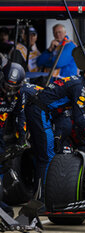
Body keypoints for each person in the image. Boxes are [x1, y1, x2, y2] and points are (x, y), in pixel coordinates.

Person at [22, 62, 85, 199]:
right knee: (47, 156)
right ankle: (42, 199)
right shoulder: (79, 87)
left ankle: (40, 195)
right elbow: (79, 117)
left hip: (40, 111)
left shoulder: (77, 81)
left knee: (46, 154)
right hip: (40, 112)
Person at [0, 60, 26, 217]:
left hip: (1, 134)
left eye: (13, 87)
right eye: (7, 86)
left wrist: (21, 137)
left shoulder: (19, 94)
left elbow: (19, 115)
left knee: (3, 165)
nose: (9, 90)